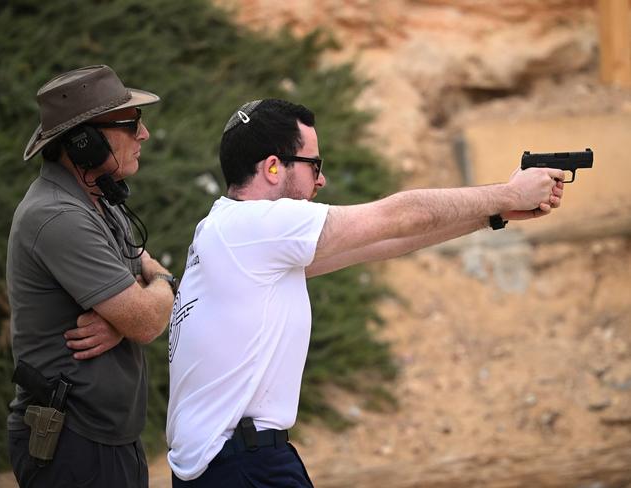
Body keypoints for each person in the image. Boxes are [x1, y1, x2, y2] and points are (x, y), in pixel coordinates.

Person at [166, 99, 565, 486]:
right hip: (247, 466)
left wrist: (492, 216)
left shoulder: (229, 233)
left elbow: (384, 240)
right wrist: (509, 193)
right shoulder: (255, 225)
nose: (320, 180)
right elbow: (401, 214)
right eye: (313, 165)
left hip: (227, 464)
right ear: (273, 167)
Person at [6, 65, 177, 488]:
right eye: (131, 123)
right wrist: (157, 290)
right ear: (85, 141)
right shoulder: (59, 216)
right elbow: (148, 318)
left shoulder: (98, 197)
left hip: (104, 439)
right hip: (74, 444)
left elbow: (142, 277)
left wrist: (128, 315)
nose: (144, 135)